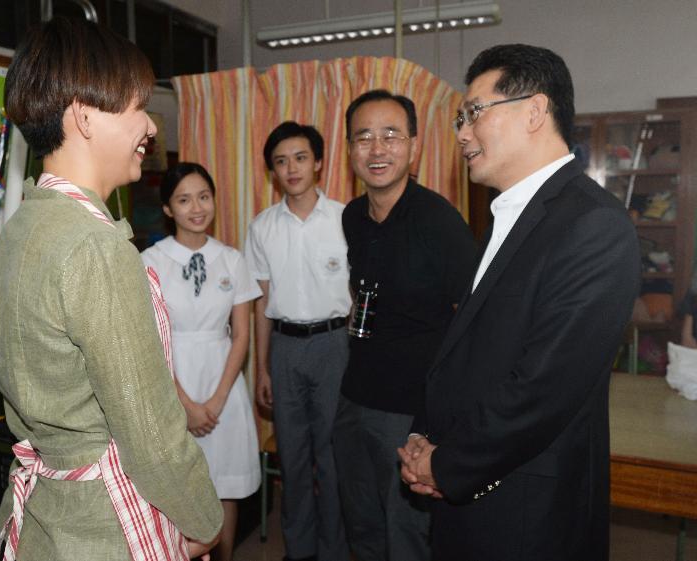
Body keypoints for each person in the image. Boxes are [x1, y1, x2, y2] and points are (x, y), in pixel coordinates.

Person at [0, 17, 221, 561]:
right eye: (138, 107)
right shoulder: (94, 246)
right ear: (85, 117)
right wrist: (204, 517)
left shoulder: (23, 227)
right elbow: (150, 430)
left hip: (48, 516)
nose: (152, 129)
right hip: (106, 525)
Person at [399, 44, 640, 561]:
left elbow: (543, 387)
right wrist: (426, 434)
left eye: (473, 113)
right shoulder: (505, 218)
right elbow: (468, 349)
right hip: (474, 487)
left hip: (527, 509)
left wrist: (447, 466)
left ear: (534, 110)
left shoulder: (592, 225)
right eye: (460, 119)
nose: (462, 133)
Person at [333, 89, 477, 561]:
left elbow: (473, 324)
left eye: (391, 135)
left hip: (411, 412)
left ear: (414, 146)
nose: (377, 149)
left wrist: (433, 424)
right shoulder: (353, 217)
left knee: (407, 535)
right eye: (364, 137)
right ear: (350, 149)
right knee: (362, 524)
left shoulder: (440, 222)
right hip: (354, 396)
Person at [141, 162, 262, 561]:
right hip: (172, 383)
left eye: (204, 197)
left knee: (225, 485)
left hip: (224, 384)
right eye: (184, 199)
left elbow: (242, 334)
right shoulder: (150, 262)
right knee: (178, 488)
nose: (197, 207)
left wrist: (215, 402)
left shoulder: (231, 259)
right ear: (168, 209)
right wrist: (186, 405)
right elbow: (149, 341)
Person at [245, 121, 349, 561]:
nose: (292, 168)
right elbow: (261, 302)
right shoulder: (262, 226)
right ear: (272, 170)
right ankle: (300, 550)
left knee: (333, 457)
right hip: (285, 348)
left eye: (301, 158)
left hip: (336, 345)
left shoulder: (347, 218)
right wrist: (263, 367)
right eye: (281, 161)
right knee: (293, 457)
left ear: (319, 163)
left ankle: (334, 551)